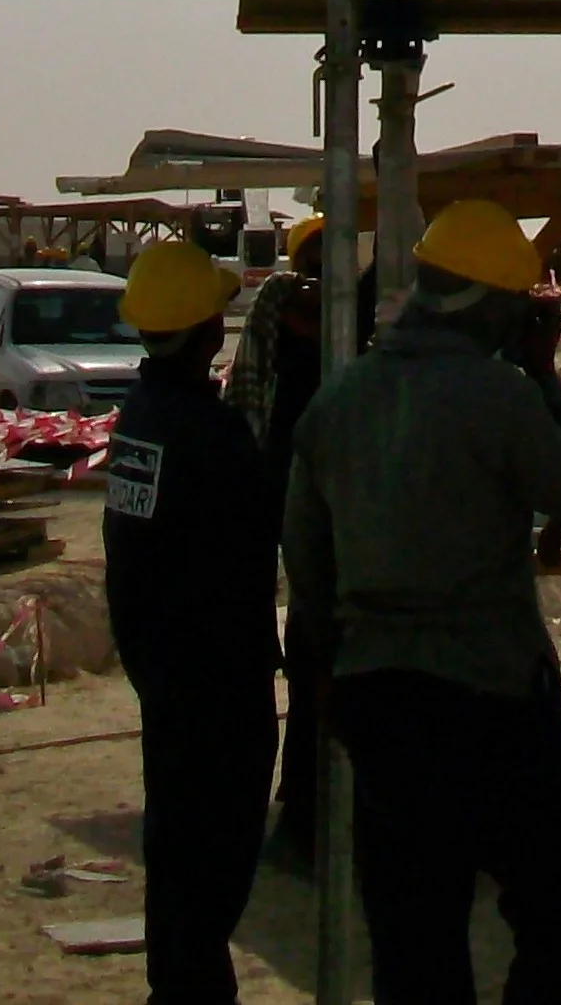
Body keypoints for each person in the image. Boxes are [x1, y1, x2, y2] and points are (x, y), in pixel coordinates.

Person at [283, 199, 561, 1005]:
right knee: (556, 911)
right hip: (492, 691)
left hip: (378, 695)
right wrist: (542, 372)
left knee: (413, 937)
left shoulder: (339, 401)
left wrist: (324, 673)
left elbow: (307, 561)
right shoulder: (497, 395)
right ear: (489, 304)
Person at [103, 238, 281, 1005]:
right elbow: (263, 527)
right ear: (209, 331)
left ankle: (179, 989)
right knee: (215, 863)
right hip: (219, 683)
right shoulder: (210, 436)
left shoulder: (141, 419)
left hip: (167, 676)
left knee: (177, 857)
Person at [226, 210, 377, 867]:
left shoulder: (344, 323)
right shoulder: (283, 308)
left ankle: (315, 808)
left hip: (326, 500)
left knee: (326, 648)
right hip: (299, 495)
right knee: (318, 647)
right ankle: (309, 816)